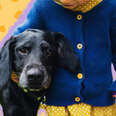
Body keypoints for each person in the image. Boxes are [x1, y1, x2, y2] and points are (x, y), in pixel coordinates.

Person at [13, 0, 116, 115]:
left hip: (101, 104)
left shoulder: (109, 7)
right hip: (59, 105)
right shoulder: (43, 6)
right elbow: (18, 42)